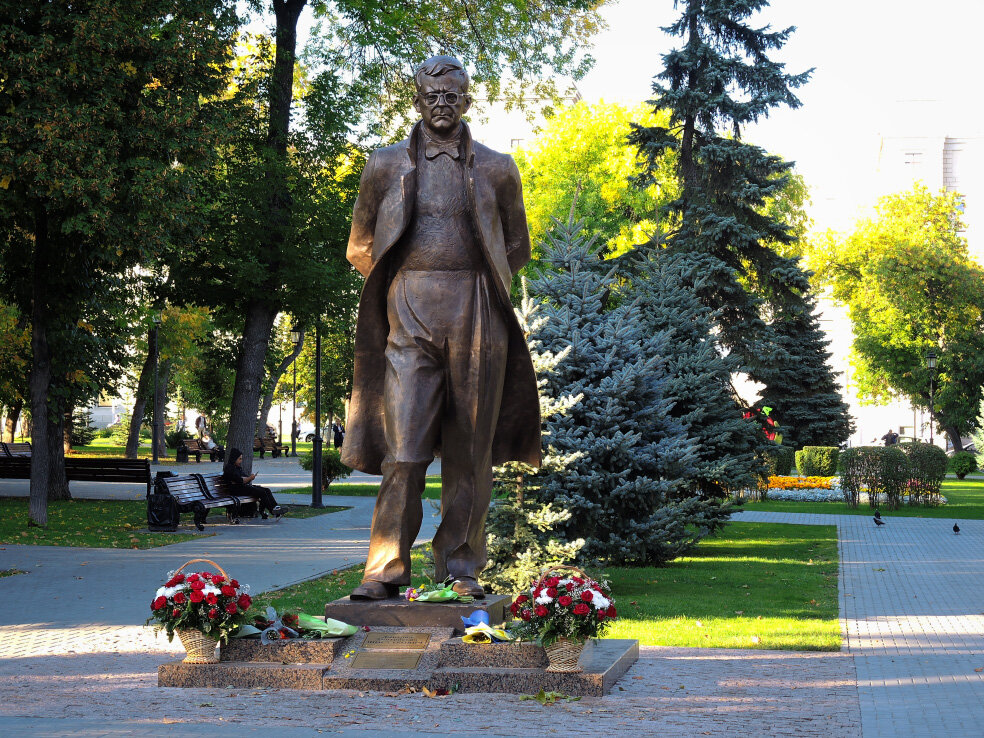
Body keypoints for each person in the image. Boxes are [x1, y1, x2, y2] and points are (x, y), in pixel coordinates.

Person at [341, 55, 541, 601]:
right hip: (408, 308)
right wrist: (406, 284)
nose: (442, 105)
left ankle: (460, 566)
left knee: (469, 451)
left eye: (452, 96)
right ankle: (385, 567)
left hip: (476, 308)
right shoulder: (384, 166)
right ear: (416, 99)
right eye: (432, 96)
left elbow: (516, 245)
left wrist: (469, 281)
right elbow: (361, 244)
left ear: (467, 99)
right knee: (403, 449)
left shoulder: (498, 167)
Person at [222, 448, 284, 519]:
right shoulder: (229, 468)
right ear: (234, 458)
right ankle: (272, 510)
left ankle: (275, 507)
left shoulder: (237, 468)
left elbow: (244, 478)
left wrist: (248, 478)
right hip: (235, 490)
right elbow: (240, 480)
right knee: (261, 492)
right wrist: (249, 478)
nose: (241, 461)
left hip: (241, 487)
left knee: (266, 490)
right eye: (239, 459)